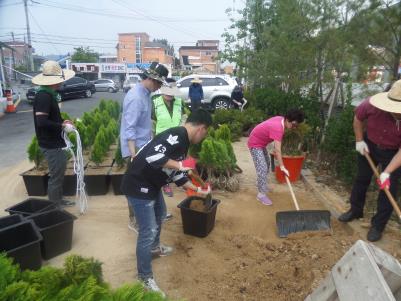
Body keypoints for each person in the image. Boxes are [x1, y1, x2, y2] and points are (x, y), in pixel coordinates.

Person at [121, 109, 212, 296]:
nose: (203, 138)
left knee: (160, 215)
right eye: (206, 133)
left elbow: (175, 173)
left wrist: (196, 189)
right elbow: (152, 157)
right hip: (139, 186)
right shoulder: (177, 135)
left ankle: (154, 249)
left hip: (151, 184)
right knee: (148, 230)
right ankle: (144, 278)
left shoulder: (183, 140)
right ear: (202, 129)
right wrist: (180, 165)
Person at [339, 79, 401, 242]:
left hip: (393, 153)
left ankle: (378, 226)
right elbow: (358, 118)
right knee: (361, 179)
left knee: (389, 189)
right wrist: (359, 140)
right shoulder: (371, 104)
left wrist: (387, 173)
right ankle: (355, 210)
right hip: (370, 145)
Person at [120, 62, 169, 232]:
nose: (160, 87)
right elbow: (129, 128)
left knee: (149, 180)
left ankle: (155, 212)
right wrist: (133, 155)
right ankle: (135, 220)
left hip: (144, 146)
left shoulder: (146, 94)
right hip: (135, 150)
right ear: (151, 79)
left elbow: (144, 123)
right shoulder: (135, 97)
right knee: (135, 186)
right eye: (159, 83)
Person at [31, 60, 76, 207]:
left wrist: (63, 121)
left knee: (59, 173)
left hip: (54, 142)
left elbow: (51, 117)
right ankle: (54, 206)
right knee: (56, 176)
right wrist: (61, 126)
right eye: (59, 80)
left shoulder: (49, 95)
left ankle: (58, 200)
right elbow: (42, 122)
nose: (61, 83)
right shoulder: (43, 96)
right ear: (52, 81)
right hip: (50, 143)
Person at [247, 109, 305, 205]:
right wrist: (282, 167)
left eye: (296, 126)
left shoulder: (281, 119)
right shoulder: (278, 128)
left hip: (261, 143)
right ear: (287, 120)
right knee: (262, 167)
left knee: (267, 163)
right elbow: (278, 150)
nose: (294, 127)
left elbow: (268, 130)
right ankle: (261, 195)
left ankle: (260, 183)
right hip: (255, 143)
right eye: (294, 125)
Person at [152, 79, 186, 197]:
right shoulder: (155, 103)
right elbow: (151, 123)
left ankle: (181, 181)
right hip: (161, 139)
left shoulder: (180, 102)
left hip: (177, 138)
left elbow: (185, 117)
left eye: (172, 91)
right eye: (167, 90)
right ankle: (164, 184)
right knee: (162, 162)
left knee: (176, 160)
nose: (169, 94)